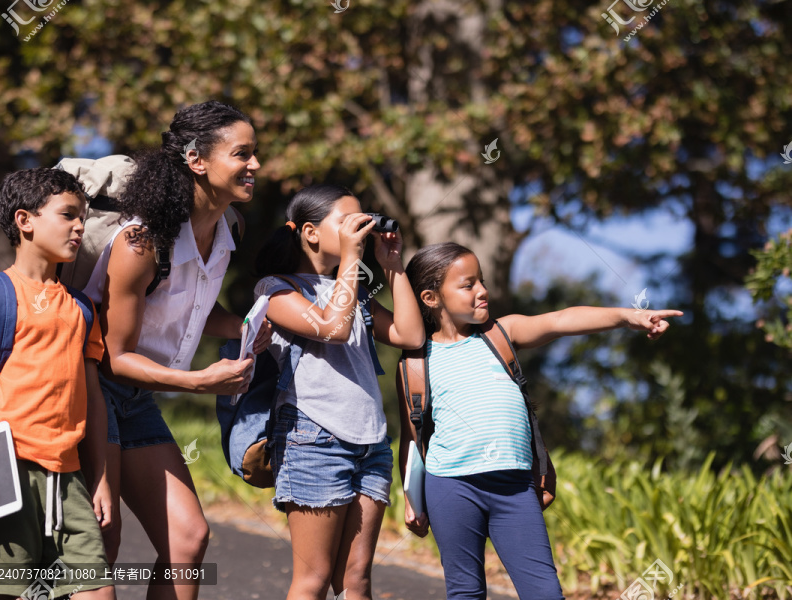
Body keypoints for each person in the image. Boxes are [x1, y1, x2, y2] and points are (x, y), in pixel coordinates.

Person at [398, 242, 683, 600]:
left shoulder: (501, 334)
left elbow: (561, 320)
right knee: (465, 591)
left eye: (482, 281)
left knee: (544, 592)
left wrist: (627, 317)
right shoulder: (415, 363)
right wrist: (411, 498)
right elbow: (411, 435)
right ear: (430, 297)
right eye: (468, 285)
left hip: (515, 486)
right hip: (451, 487)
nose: (483, 291)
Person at [83, 100, 268, 600]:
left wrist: (248, 324)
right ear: (196, 160)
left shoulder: (227, 231)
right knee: (104, 536)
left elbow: (185, 309)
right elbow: (117, 355)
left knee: (187, 537)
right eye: (242, 154)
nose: (255, 165)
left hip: (137, 395)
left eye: (255, 153)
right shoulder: (141, 243)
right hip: (93, 390)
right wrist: (199, 381)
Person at [253, 184, 425, 600]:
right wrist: (351, 258)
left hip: (371, 442)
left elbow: (410, 334)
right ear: (311, 232)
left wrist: (392, 266)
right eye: (349, 222)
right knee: (313, 580)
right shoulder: (275, 289)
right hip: (313, 439)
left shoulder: (358, 294)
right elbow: (334, 328)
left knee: (355, 582)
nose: (361, 229)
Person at [0, 168, 114, 599]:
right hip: (5, 474)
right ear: (25, 220)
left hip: (71, 478)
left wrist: (99, 478)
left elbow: (93, 397)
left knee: (98, 590)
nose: (80, 225)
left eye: (83, 216)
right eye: (67, 215)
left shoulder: (82, 308)